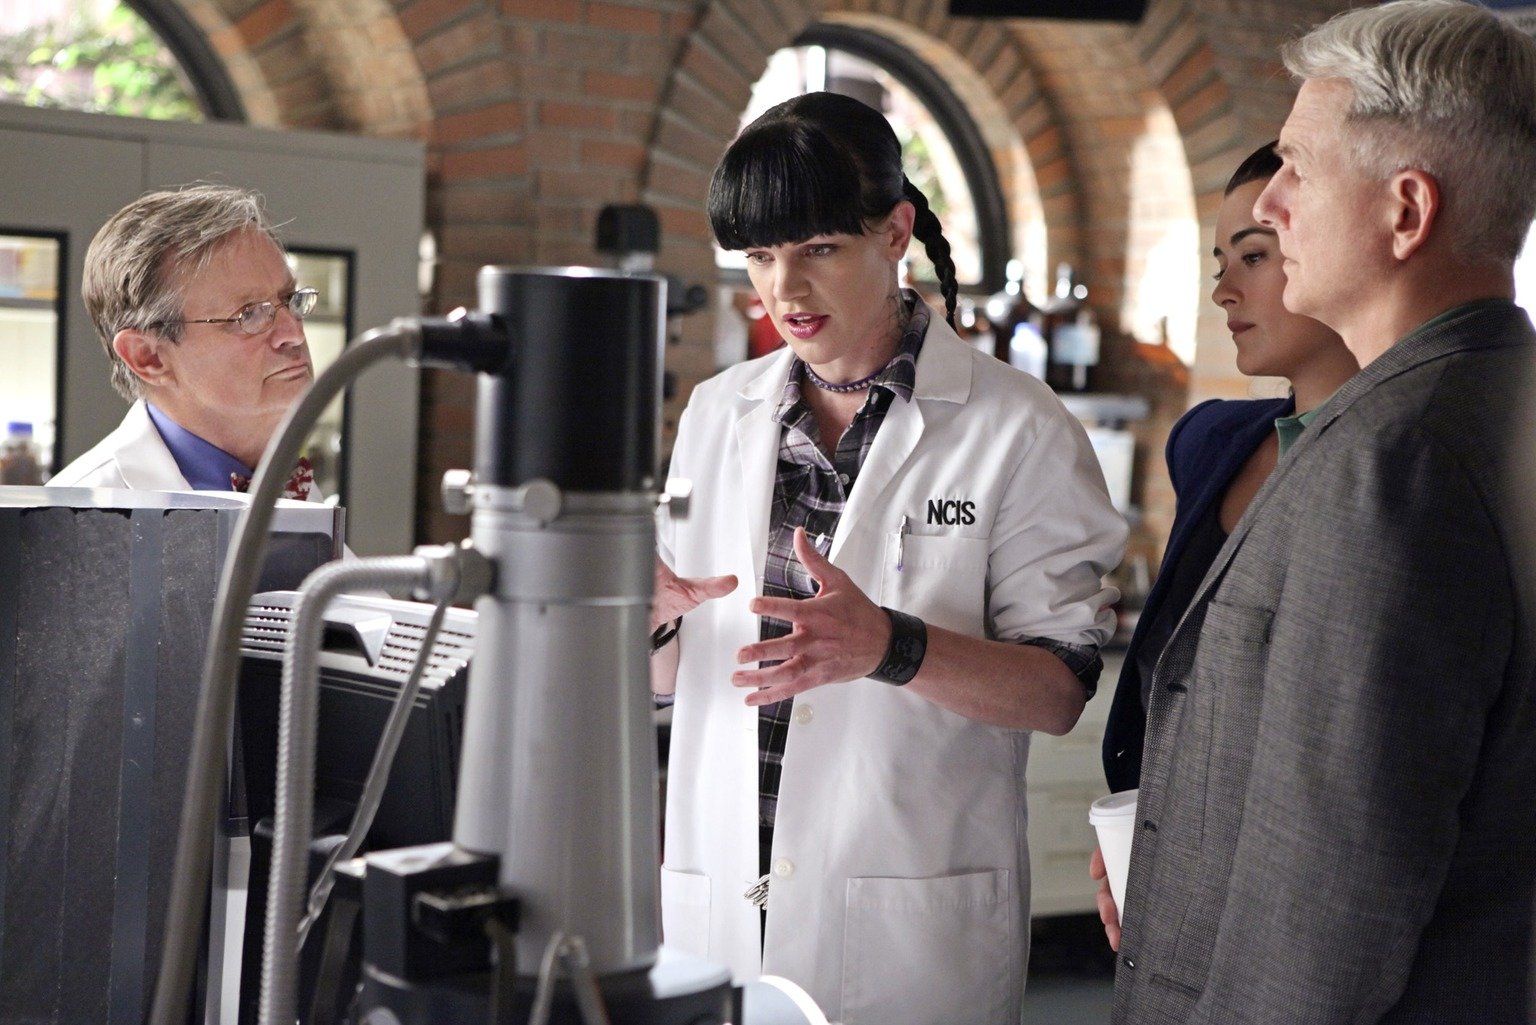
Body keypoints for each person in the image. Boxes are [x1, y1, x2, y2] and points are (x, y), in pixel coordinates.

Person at [649, 91, 1126, 1025]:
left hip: (907, 933)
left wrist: (890, 647)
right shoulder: (715, 411)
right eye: (760, 257)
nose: (785, 289)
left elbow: (1058, 692)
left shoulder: (1018, 426)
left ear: (896, 231)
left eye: (819, 249)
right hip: (725, 909)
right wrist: (654, 619)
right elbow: (676, 680)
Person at [1112, 2, 1536, 1022]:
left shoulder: (1391, 463)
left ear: (1406, 211)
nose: (1274, 203)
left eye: (1298, 168)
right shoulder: (1492, 401)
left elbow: (1324, 913)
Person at [1093, 141, 1358, 945]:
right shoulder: (1211, 442)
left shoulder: (1393, 460)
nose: (1223, 290)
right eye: (1220, 263)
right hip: (1172, 862)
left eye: (1254, 255)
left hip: (1299, 896)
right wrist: (1143, 822)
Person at [50, 184, 321, 500]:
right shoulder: (72, 513)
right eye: (249, 314)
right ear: (148, 358)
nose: (294, 334)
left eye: (290, 298)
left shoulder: (286, 480)